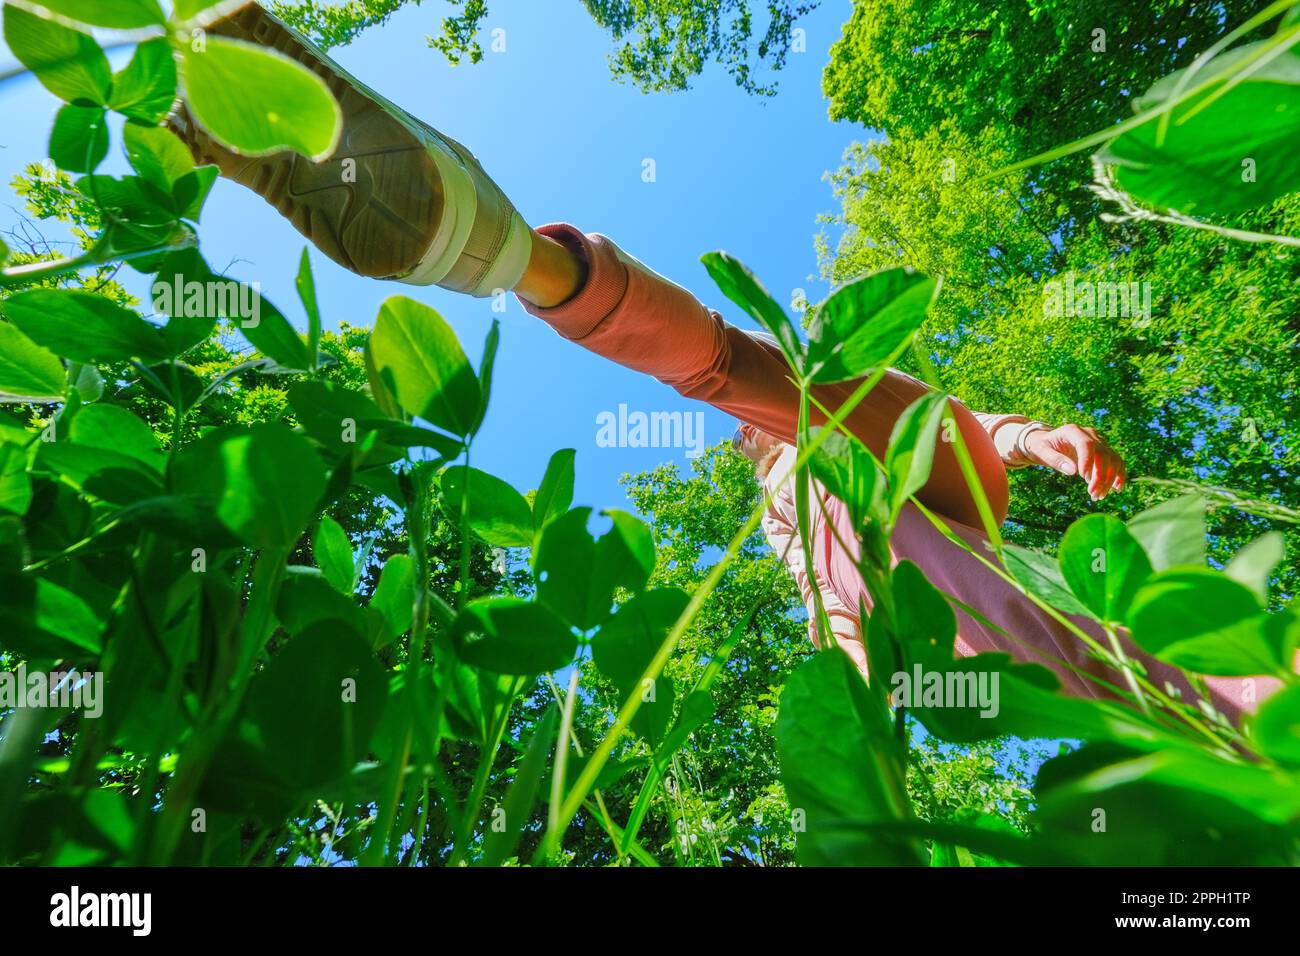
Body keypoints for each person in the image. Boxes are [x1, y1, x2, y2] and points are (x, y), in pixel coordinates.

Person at [172, 2, 1278, 722]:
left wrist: (1040, 439)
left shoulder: (805, 427)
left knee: (747, 375)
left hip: (917, 499)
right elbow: (834, 575)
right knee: (1121, 705)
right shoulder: (788, 502)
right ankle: (495, 245)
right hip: (893, 600)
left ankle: (512, 253)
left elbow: (945, 426)